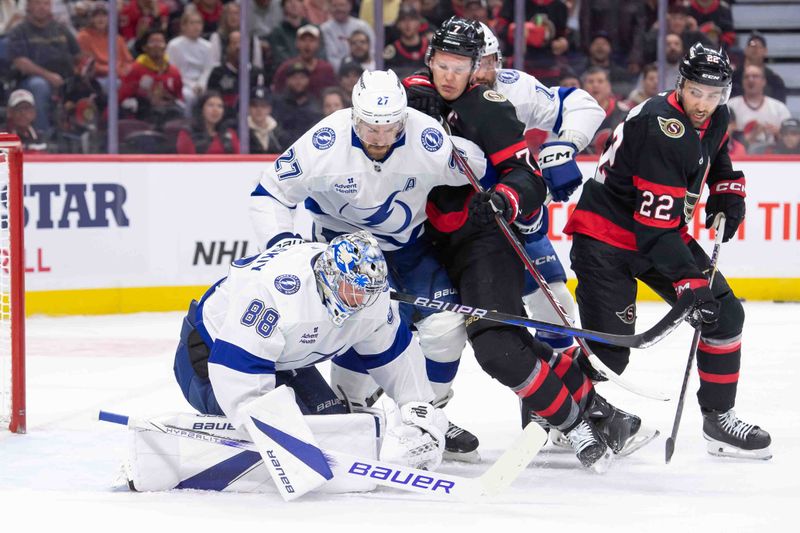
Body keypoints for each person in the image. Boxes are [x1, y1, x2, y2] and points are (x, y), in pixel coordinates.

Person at [402, 17, 626, 470]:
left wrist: (506, 198)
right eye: (442, 64)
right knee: (427, 335)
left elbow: (527, 177)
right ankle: (419, 420)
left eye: (463, 64)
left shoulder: (492, 104)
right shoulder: (408, 99)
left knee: (500, 346)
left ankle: (573, 419)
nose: (452, 75)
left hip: (480, 239)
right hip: (417, 242)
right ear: (429, 62)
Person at [249, 69, 487, 463]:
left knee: (445, 329)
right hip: (342, 251)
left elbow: (480, 167)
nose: (379, 138)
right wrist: (282, 245)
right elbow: (270, 190)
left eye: (390, 128)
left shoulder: (426, 138)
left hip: (407, 249)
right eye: (369, 127)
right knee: (356, 328)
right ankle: (353, 413)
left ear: (404, 119)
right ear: (354, 116)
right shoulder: (326, 140)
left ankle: (428, 419)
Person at [564, 43, 772, 460]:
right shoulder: (661, 126)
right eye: (696, 92)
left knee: (727, 315)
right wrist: (689, 283)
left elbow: (715, 153)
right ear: (681, 85)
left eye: (714, 95)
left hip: (657, 235)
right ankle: (552, 404)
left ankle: (719, 420)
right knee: (610, 353)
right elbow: (653, 229)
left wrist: (727, 188)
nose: (704, 104)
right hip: (606, 240)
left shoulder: (717, 115)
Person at [173, 231, 449, 472]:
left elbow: (396, 357)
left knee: (334, 428)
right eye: (353, 290)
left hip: (279, 358)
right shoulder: (275, 294)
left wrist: (419, 411)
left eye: (369, 292)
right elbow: (236, 369)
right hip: (209, 355)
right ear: (329, 275)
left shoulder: (371, 295)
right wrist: (273, 431)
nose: (362, 301)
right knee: (301, 431)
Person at [472, 21, 604, 356]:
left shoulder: (514, 88)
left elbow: (583, 105)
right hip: (457, 225)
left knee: (555, 306)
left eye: (486, 61)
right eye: (470, 62)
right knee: (438, 331)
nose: (479, 71)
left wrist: (565, 145)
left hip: (517, 216)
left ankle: (551, 404)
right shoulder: (432, 97)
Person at [7, 0, 80, 134]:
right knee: (39, 86)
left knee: (94, 87)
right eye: (37, 3)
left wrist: (84, 68)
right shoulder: (20, 31)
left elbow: (78, 55)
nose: (42, 7)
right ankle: (42, 136)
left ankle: (90, 137)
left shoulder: (61, 28)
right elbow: (20, 62)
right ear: (28, 6)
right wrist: (48, 76)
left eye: (46, 4)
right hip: (31, 81)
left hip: (66, 80)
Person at [119, 28, 184, 126]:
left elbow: (179, 97)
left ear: (166, 46)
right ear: (145, 47)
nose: (157, 45)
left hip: (168, 114)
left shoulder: (174, 72)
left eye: (160, 42)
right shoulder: (135, 69)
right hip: (142, 114)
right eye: (153, 42)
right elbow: (122, 96)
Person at [727, 64, 791, 152]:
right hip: (737, 155)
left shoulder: (779, 108)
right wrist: (751, 135)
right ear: (742, 82)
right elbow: (722, 135)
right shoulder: (730, 105)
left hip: (772, 156)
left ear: (764, 81)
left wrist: (778, 134)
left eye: (755, 76)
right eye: (746, 77)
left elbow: (792, 139)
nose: (750, 79)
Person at [166, 7, 213, 117]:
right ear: (183, 26)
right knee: (188, 95)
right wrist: (191, 85)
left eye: (199, 23)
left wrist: (201, 84)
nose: (196, 27)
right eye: (192, 23)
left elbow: (208, 69)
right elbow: (173, 70)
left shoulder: (208, 46)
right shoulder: (174, 45)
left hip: (201, 84)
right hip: (182, 83)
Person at [75, 2, 134, 91]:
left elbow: (128, 61)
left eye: (104, 15)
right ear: (90, 19)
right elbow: (86, 65)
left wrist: (123, 71)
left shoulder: (117, 38)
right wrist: (111, 70)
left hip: (119, 75)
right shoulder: (83, 37)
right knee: (115, 84)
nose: (100, 19)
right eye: (96, 16)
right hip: (96, 79)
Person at [176, 90, 240, 154]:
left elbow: (239, 160)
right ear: (201, 109)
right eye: (210, 105)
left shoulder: (230, 134)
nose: (215, 110)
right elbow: (188, 161)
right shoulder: (187, 133)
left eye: (220, 106)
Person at [320, 0, 375, 71]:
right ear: (329, 7)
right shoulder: (324, 29)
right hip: (338, 74)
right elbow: (331, 57)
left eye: (342, 5)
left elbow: (373, 51)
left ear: (350, 6)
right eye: (335, 6)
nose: (338, 9)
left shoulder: (363, 26)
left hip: (367, 70)